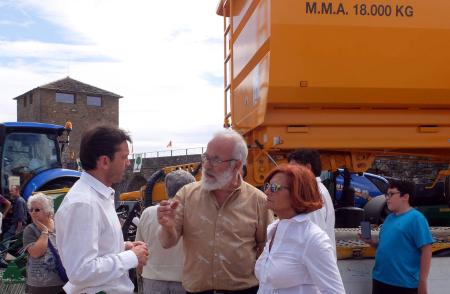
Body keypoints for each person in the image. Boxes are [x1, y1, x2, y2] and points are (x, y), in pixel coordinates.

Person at [158, 129, 273, 294]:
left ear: (237, 165)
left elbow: (267, 250)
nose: (206, 165)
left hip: (244, 290)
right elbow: (166, 243)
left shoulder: (258, 201)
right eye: (206, 157)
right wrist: (167, 226)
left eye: (216, 160)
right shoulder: (186, 195)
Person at [55, 125, 149, 294]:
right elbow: (81, 271)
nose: (128, 163)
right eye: (124, 157)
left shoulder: (98, 196)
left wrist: (123, 247)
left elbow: (94, 251)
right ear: (104, 161)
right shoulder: (84, 203)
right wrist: (131, 257)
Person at [255, 164, 345, 294]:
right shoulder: (273, 229)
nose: (267, 192)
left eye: (274, 187)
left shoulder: (312, 238)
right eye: (267, 186)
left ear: (297, 193)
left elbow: (335, 291)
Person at [361, 180, 433, 294]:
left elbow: (427, 250)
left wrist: (422, 282)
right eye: (386, 194)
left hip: (403, 285)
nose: (387, 198)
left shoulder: (417, 219)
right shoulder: (389, 219)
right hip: (380, 280)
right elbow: (388, 247)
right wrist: (372, 243)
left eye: (391, 194)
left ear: (405, 197)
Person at [136, 169, 196, 294]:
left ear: (166, 189)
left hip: (152, 280)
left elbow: (139, 248)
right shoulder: (194, 214)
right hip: (184, 281)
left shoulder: (147, 213)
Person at [288, 149, 336, 249]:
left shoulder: (311, 192)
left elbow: (313, 233)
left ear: (308, 168)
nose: (289, 173)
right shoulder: (318, 189)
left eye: (293, 168)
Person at [23, 193, 65, 294]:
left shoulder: (60, 225)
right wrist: (44, 231)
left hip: (62, 282)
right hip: (39, 286)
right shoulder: (30, 229)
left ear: (47, 211)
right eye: (31, 210)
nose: (33, 213)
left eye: (37, 210)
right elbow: (36, 253)